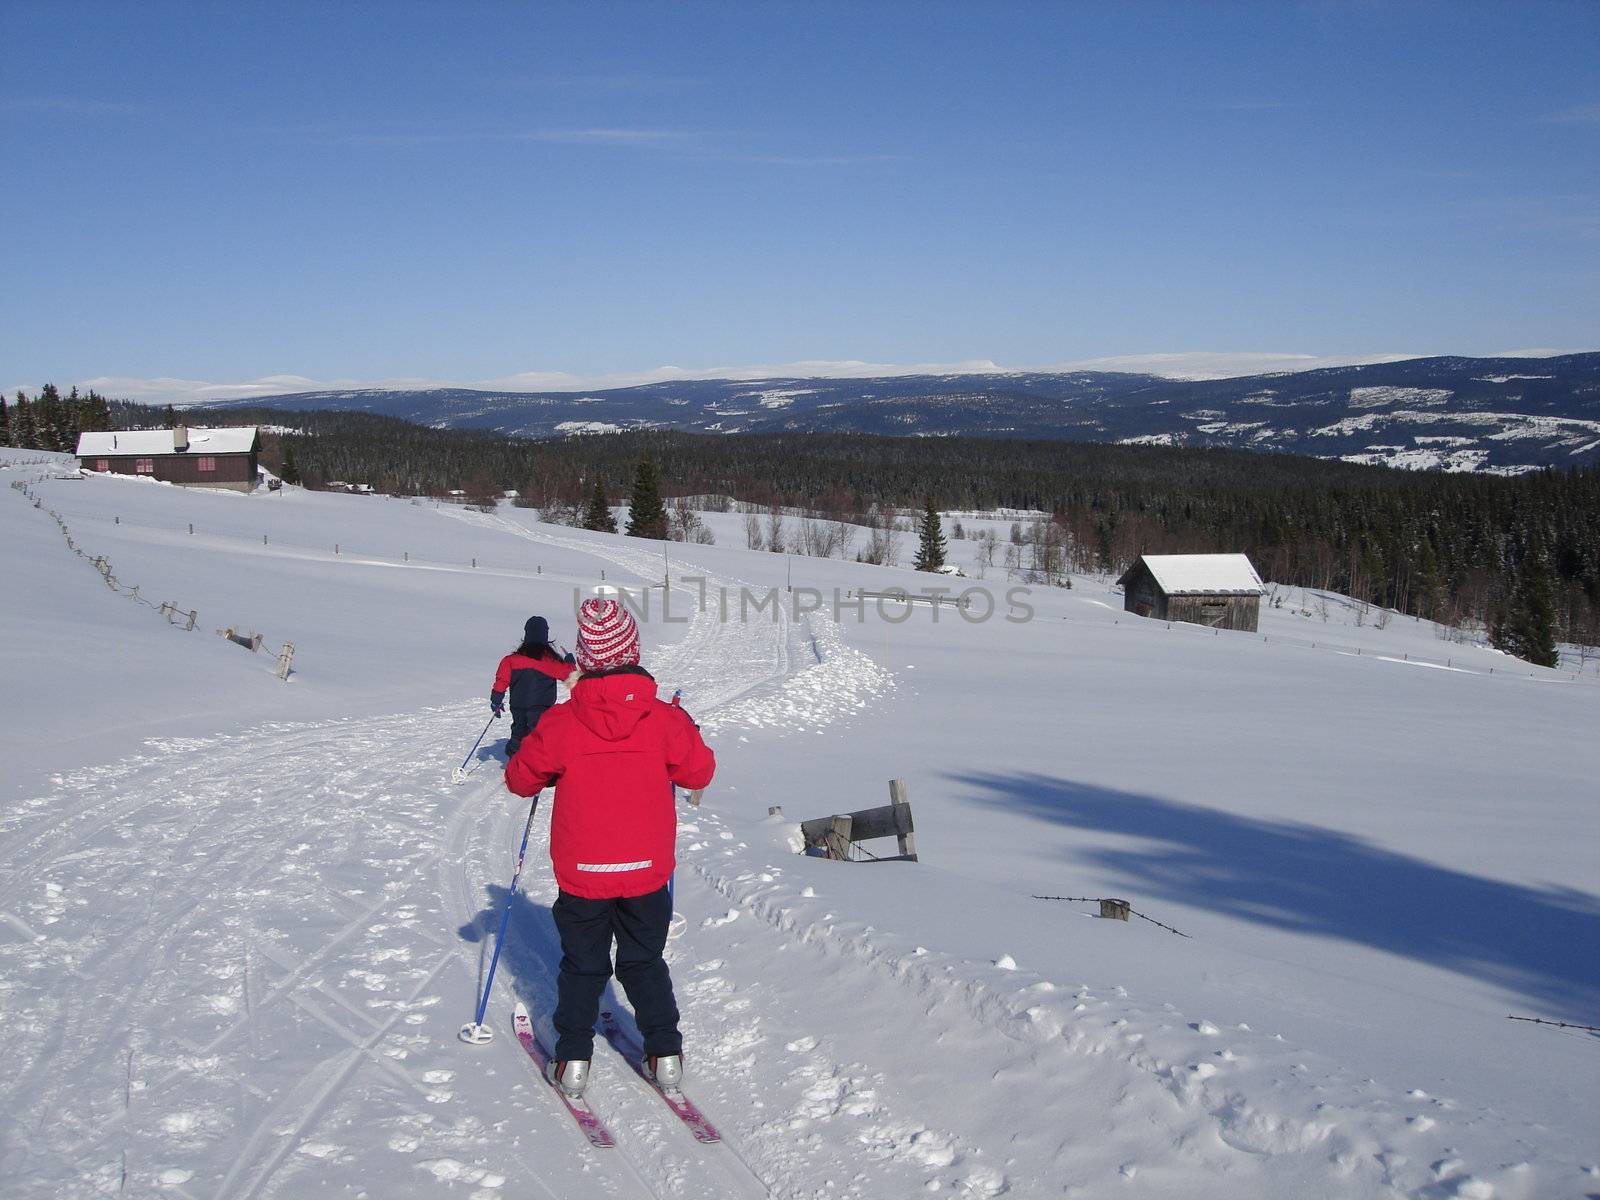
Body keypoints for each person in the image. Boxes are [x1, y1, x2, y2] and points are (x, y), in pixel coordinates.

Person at [504, 598, 715, 1099]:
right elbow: (699, 771)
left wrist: (548, 767)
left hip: (584, 871)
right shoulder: (663, 719)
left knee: (583, 966)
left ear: (583, 660)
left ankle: (573, 1059)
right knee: (644, 961)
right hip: (646, 869)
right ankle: (665, 1053)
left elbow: (519, 780)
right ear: (632, 652)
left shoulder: (561, 722)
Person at [491, 616, 577, 757]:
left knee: (519, 730)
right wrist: (570, 662)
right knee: (537, 734)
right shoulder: (549, 661)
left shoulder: (511, 660)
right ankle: (536, 764)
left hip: (518, 705)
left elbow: (501, 680)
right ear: (545, 635)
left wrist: (496, 699)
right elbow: (570, 676)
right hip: (541, 706)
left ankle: (515, 758)